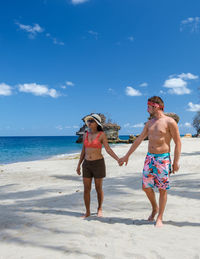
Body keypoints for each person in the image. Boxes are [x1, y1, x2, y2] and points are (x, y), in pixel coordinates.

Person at [119, 96, 181, 227]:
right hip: (149, 158)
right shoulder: (149, 123)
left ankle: (160, 217)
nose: (147, 109)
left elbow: (178, 142)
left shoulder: (170, 122)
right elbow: (139, 140)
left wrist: (176, 162)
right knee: (146, 187)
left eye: (148, 106)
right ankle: (155, 208)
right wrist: (127, 156)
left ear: (156, 106)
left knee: (162, 189)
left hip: (163, 158)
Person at [76, 113, 120, 218]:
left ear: (97, 123)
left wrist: (118, 159)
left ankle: (99, 208)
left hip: (98, 164)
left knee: (98, 188)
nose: (89, 123)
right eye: (88, 121)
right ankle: (87, 212)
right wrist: (79, 165)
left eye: (91, 121)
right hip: (86, 164)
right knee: (86, 189)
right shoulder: (85, 134)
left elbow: (108, 149)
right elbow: (83, 151)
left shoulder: (101, 135)